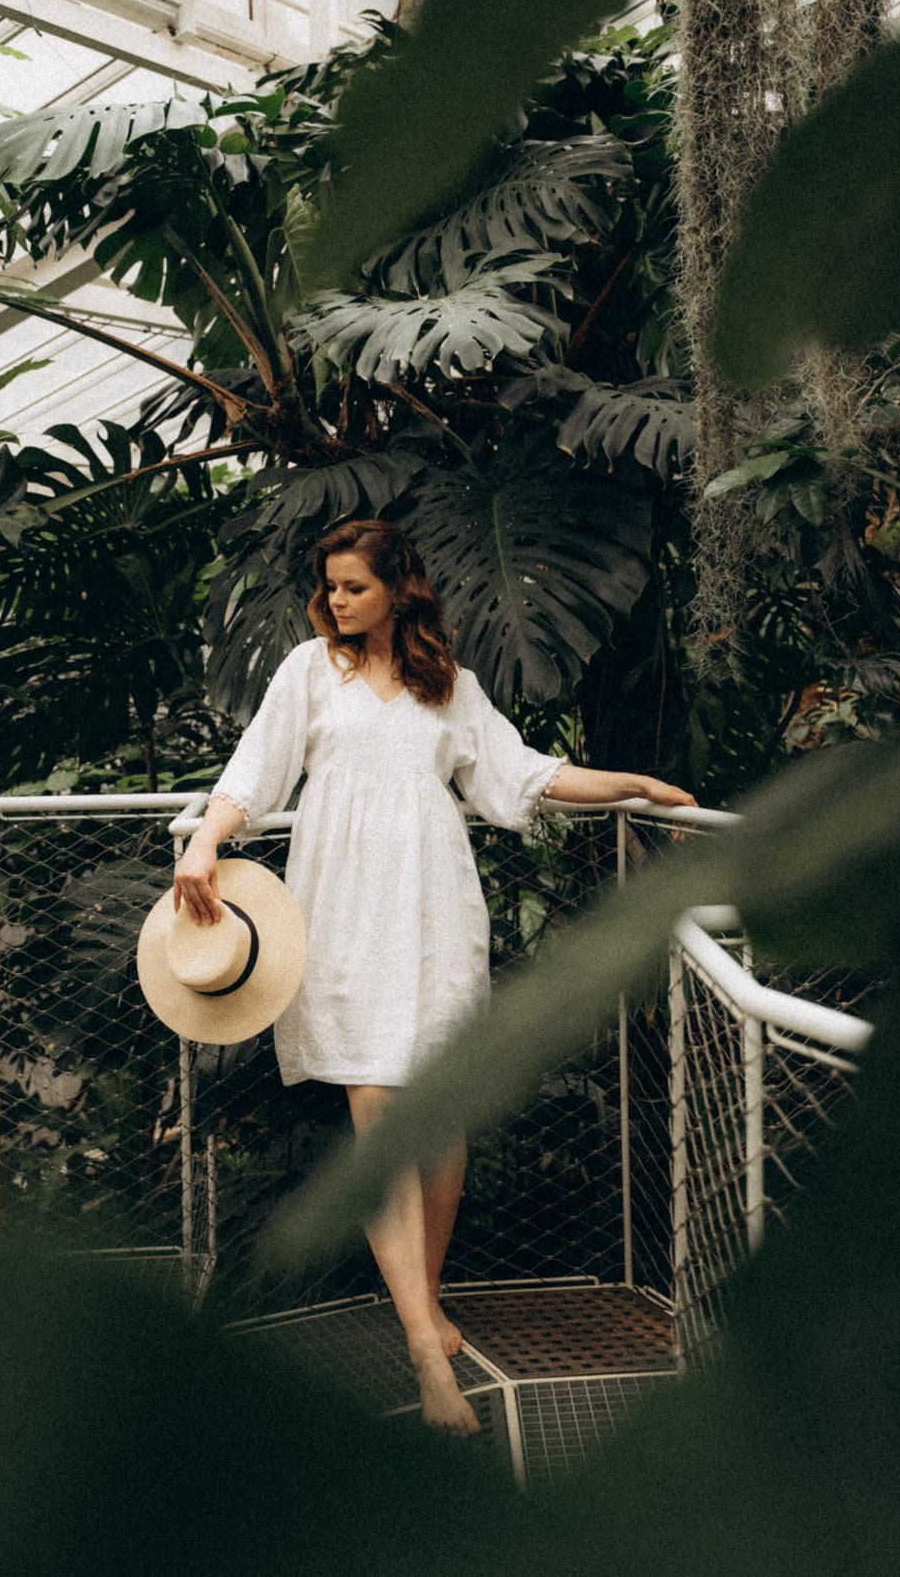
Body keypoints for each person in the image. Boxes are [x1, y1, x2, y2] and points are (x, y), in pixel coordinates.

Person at [174, 518, 696, 1435]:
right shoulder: (307, 672)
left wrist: (634, 785)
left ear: (396, 589)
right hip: (338, 915)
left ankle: (424, 1293)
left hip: (432, 913)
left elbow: (522, 774)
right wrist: (208, 843)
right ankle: (423, 1344)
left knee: (441, 1119)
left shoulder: (447, 686)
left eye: (353, 588)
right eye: (329, 586)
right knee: (377, 1110)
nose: (335, 602)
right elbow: (253, 771)